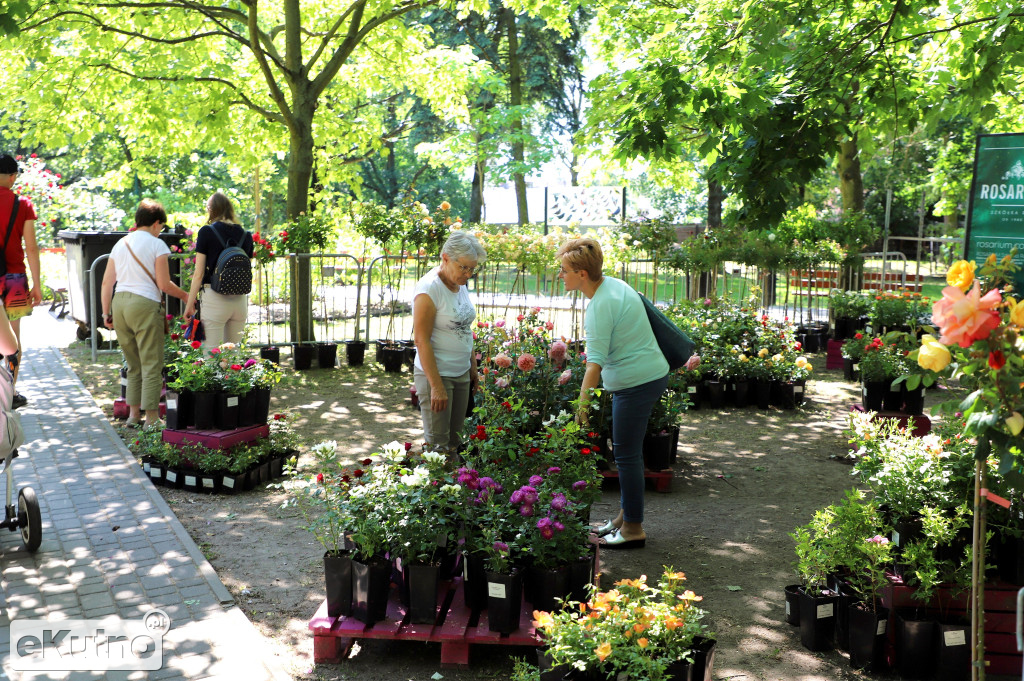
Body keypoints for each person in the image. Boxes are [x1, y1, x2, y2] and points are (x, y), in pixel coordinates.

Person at [557, 237, 669, 549]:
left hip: (637, 383)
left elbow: (593, 366)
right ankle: (625, 517)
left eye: (564, 270)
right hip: (648, 375)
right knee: (630, 452)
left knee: (626, 455)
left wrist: (581, 411)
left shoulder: (599, 307)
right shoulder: (614, 285)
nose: (560, 275)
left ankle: (633, 528)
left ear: (581, 274)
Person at [100, 200, 189, 428]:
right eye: (161, 226)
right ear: (156, 223)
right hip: (144, 304)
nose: (161, 230)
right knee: (151, 363)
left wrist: (105, 312)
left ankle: (132, 415)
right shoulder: (157, 245)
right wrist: (186, 296)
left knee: (133, 364)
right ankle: (151, 418)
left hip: (119, 304)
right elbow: (164, 284)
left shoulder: (121, 243)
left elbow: (107, 283)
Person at [412, 230, 486, 452]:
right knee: (439, 446)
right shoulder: (429, 290)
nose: (468, 274)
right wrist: (436, 386)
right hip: (437, 375)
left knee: (455, 442)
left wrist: (472, 367)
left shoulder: (460, 283)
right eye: (463, 267)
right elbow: (421, 340)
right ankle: (437, 486)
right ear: (445, 258)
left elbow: (465, 326)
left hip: (461, 372)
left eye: (472, 268)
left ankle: (456, 485)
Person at [0, 154, 43, 409]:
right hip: (15, 280)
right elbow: (32, 248)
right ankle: (10, 394)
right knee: (13, 343)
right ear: (13, 177)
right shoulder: (23, 204)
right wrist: (37, 285)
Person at [184, 192, 253, 348]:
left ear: (211, 209)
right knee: (232, 358)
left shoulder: (206, 232)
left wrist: (190, 304)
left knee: (211, 357)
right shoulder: (246, 235)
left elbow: (198, 274)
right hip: (240, 301)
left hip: (215, 298)